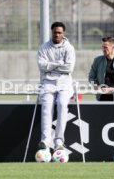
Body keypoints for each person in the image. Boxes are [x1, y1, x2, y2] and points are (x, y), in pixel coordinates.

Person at [37, 22, 75, 151]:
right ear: (52, 32)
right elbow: (41, 66)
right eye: (55, 32)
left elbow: (69, 67)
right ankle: (45, 140)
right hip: (48, 83)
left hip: (64, 83)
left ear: (63, 33)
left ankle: (59, 140)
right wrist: (59, 64)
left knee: (62, 105)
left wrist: (50, 66)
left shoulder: (69, 48)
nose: (57, 35)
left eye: (59, 32)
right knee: (46, 108)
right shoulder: (44, 48)